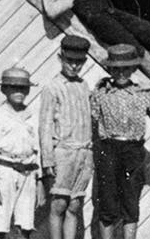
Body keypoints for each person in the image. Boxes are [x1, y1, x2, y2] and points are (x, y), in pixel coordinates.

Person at [89, 43, 150, 239]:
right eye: (116, 68)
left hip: (133, 150)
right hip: (108, 149)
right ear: (110, 69)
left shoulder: (143, 94)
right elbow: (90, 121)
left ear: (133, 69)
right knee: (107, 204)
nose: (121, 73)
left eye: (126, 68)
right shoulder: (100, 92)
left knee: (130, 203)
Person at [40, 35, 94, 239]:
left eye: (78, 62)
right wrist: (47, 160)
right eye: (69, 60)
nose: (74, 66)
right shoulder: (52, 88)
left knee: (74, 204)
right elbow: (45, 126)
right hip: (63, 152)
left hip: (84, 153)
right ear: (60, 58)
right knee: (59, 204)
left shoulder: (84, 86)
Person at [0, 67, 43, 239]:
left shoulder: (32, 115)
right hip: (5, 171)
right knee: (0, 222)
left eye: (23, 88)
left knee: (25, 223)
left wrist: (38, 181)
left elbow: (36, 149)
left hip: (28, 172)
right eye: (13, 87)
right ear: (4, 89)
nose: (19, 92)